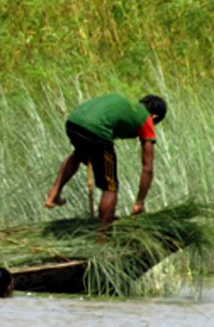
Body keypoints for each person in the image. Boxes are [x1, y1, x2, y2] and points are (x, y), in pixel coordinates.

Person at [44, 94, 167, 228]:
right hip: (97, 131)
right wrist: (139, 202)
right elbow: (148, 168)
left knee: (78, 155)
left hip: (73, 123)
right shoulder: (146, 119)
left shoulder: (126, 105)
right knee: (110, 187)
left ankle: (54, 194)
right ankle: (103, 235)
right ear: (155, 117)